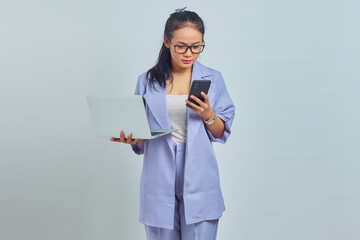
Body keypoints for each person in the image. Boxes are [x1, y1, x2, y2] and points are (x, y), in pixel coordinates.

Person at [109, 7, 235, 240]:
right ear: (167, 42)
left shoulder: (213, 78)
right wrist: (133, 138)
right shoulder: (147, 81)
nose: (189, 53)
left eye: (197, 46)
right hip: (158, 171)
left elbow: (220, 131)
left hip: (200, 173)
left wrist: (208, 113)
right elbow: (142, 133)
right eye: (182, 46)